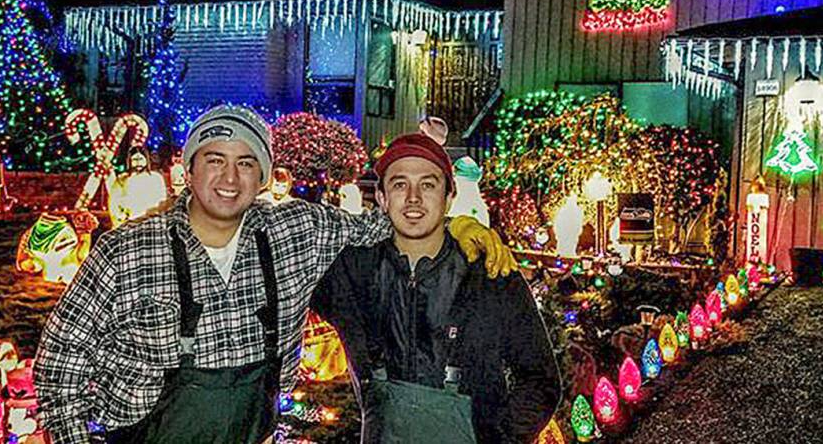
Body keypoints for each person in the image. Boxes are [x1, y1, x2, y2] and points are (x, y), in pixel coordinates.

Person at [35, 105, 514, 444]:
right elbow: (59, 362)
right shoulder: (127, 250)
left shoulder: (294, 231)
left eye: (247, 163)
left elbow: (386, 222)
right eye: (215, 160)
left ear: (263, 176)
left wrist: (457, 223)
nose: (230, 178)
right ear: (189, 168)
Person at [311, 133, 561, 443]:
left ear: (449, 197)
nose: (413, 197)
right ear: (381, 198)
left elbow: (540, 380)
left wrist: (502, 438)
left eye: (428, 185)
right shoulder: (350, 273)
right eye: (399, 184)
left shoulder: (490, 276)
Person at [106, 145, 168, 228]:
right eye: (135, 159)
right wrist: (120, 218)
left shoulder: (156, 178)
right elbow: (114, 202)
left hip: (150, 222)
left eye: (140, 159)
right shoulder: (122, 179)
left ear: (146, 160)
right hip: (130, 222)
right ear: (129, 161)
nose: (138, 162)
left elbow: (162, 200)